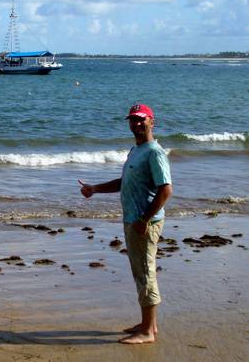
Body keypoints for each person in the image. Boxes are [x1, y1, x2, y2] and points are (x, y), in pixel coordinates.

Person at [79, 104, 172, 344]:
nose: (136, 124)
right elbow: (125, 181)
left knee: (145, 272)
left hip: (143, 222)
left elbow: (166, 190)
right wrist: (95, 189)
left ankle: (148, 333)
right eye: (133, 120)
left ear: (152, 121)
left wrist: (144, 219)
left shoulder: (154, 152)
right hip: (134, 220)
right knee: (140, 271)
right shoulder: (137, 150)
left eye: (141, 120)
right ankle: (147, 323)